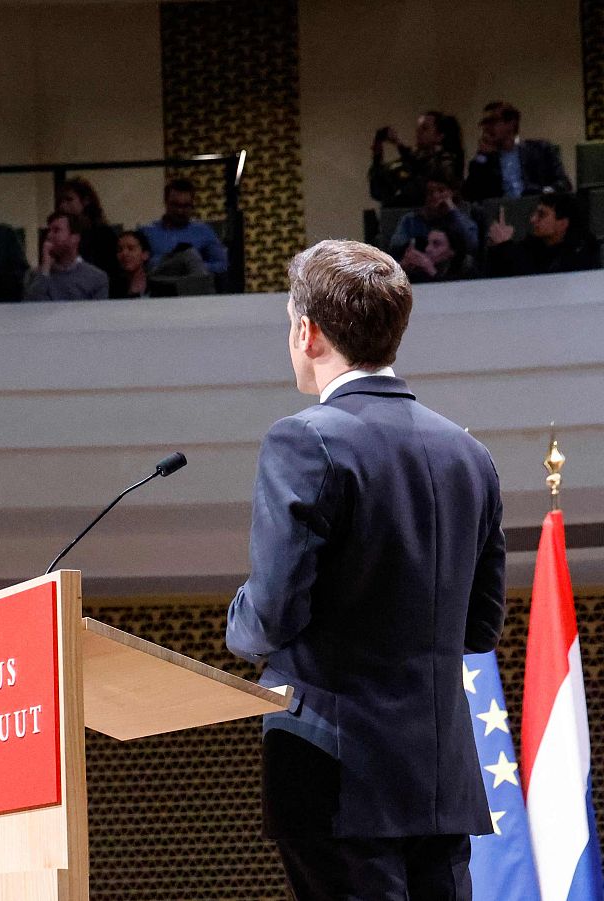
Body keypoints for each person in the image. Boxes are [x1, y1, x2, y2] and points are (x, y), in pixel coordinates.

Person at [226, 239, 505, 901]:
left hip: (335, 770)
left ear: (307, 330)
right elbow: (480, 626)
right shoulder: (469, 455)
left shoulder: (306, 438)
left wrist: (237, 623)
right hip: (439, 778)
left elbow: (270, 613)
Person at [463, 101, 571, 202]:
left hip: (538, 209)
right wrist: (481, 156)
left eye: (492, 122)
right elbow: (470, 195)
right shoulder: (486, 161)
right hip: (502, 216)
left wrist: (543, 192)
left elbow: (564, 184)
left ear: (511, 123)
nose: (486, 128)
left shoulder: (540, 149)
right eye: (484, 123)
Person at [484, 192, 601, 277]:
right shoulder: (533, 245)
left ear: (562, 223)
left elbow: (541, 281)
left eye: (542, 215)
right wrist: (497, 248)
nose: (533, 219)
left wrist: (506, 247)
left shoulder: (582, 250)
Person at [368, 111, 463, 208]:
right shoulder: (408, 161)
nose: (419, 132)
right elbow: (378, 191)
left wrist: (400, 145)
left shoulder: (446, 162)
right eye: (418, 129)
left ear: (439, 136)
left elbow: (425, 185)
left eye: (425, 128)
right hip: (401, 217)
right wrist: (377, 156)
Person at [139, 178, 229, 276]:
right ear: (165, 202)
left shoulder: (203, 232)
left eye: (186, 206)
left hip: (193, 286)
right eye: (175, 205)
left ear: (192, 205)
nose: (180, 211)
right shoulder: (147, 233)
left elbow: (222, 265)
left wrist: (192, 265)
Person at [386, 176, 478, 259]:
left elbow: (472, 244)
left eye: (441, 191)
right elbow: (395, 247)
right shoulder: (411, 220)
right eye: (430, 193)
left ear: (451, 193)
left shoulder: (460, 217)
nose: (435, 196)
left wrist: (452, 211)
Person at [24, 212, 108, 301]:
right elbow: (32, 309)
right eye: (49, 231)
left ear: (75, 238)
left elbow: (98, 313)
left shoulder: (96, 277)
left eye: (56, 230)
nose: (49, 236)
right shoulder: (33, 275)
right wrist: (45, 271)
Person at [56, 177, 120, 279]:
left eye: (69, 200)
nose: (63, 206)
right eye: (61, 201)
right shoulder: (59, 234)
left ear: (86, 200)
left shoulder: (103, 234)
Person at [400, 227, 478, 283]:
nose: (428, 249)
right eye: (428, 243)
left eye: (436, 244)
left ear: (452, 250)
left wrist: (431, 271)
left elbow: (452, 293)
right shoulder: (420, 271)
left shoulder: (466, 271)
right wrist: (403, 269)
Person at [109, 230, 152, 298]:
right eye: (120, 250)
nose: (124, 254)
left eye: (131, 248)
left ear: (145, 255)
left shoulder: (159, 287)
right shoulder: (110, 287)